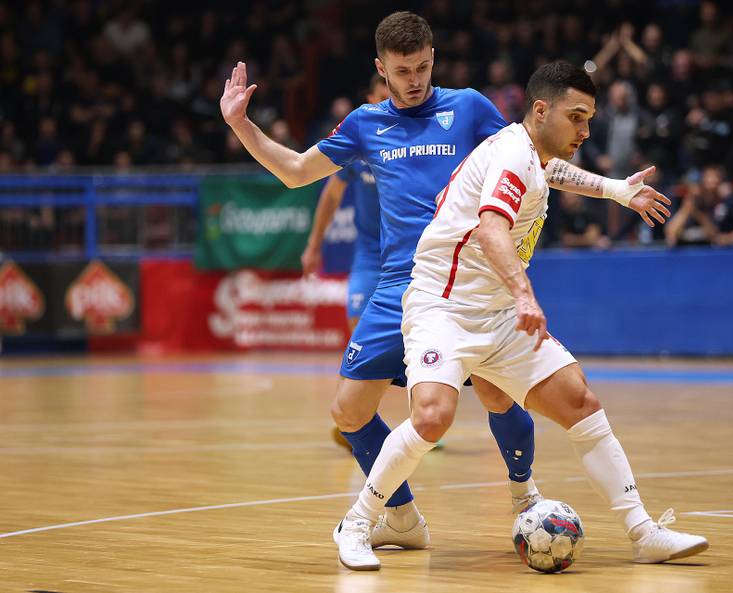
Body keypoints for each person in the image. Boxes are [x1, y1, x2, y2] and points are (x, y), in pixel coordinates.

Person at [221, 11, 670, 555]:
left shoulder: (469, 108)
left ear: (434, 59)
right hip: (402, 286)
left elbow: (538, 161)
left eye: (423, 67)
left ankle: (525, 500)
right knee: (349, 411)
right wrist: (242, 125)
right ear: (380, 67)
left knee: (498, 393)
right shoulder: (365, 123)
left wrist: (614, 190)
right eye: (402, 70)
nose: (414, 80)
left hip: (477, 282)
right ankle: (401, 517)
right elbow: (295, 171)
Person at [334, 61, 707, 571]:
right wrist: (526, 296)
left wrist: (617, 189)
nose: (585, 130)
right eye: (576, 117)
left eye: (589, 119)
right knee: (431, 416)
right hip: (443, 306)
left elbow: (556, 174)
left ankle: (642, 532)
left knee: (579, 400)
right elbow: (490, 231)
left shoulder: (531, 153)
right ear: (540, 109)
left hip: (496, 310)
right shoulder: (512, 154)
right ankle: (356, 525)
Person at [301, 74, 389, 332]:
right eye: (382, 99)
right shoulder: (360, 139)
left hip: (412, 255)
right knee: (359, 331)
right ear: (371, 100)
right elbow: (331, 194)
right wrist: (314, 246)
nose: (388, 104)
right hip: (370, 256)